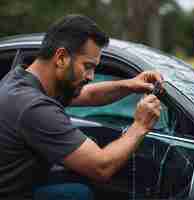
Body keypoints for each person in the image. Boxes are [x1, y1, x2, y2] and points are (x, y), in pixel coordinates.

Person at [0, 14, 162, 200]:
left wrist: (129, 84)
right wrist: (140, 125)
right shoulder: (33, 107)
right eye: (87, 66)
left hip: (27, 185)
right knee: (79, 194)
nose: (91, 76)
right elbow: (102, 167)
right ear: (61, 57)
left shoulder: (20, 79)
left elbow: (87, 94)